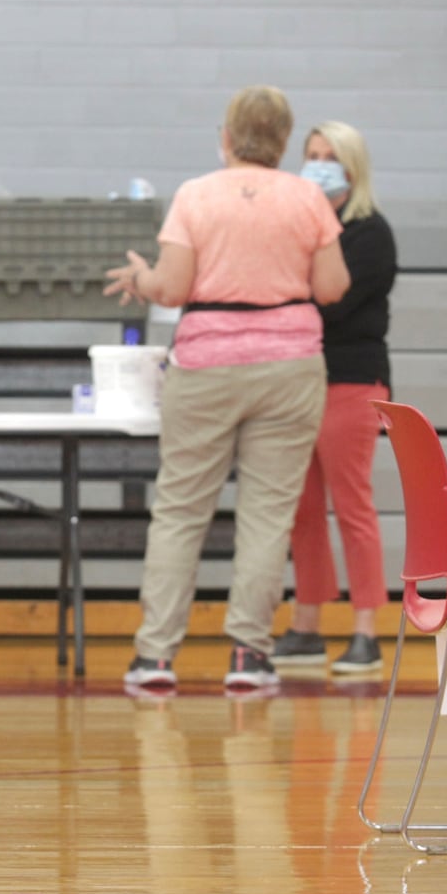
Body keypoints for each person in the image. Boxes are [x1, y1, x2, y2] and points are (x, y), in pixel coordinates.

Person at [105, 86, 350, 691]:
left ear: (226, 136)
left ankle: (155, 658)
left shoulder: (195, 196)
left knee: (182, 511)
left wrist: (141, 276)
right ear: (285, 140)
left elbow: (172, 287)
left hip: (206, 363)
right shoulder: (309, 197)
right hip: (290, 365)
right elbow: (333, 286)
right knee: (268, 517)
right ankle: (249, 654)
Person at [272, 122, 397, 674]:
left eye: (330, 157)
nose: (319, 164)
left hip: (350, 381)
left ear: (352, 168)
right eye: (312, 154)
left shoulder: (370, 232)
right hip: (300, 382)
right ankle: (306, 625)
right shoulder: (297, 225)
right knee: (302, 510)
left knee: (353, 507)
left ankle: (367, 630)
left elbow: (331, 304)